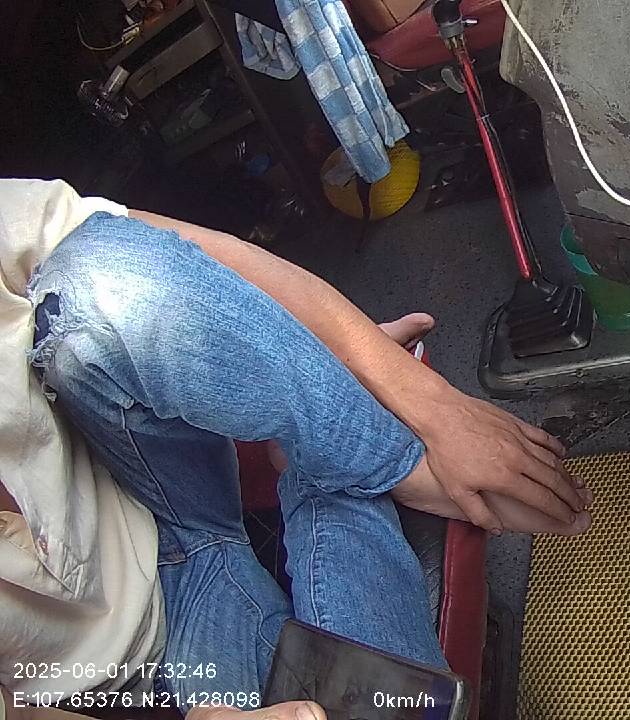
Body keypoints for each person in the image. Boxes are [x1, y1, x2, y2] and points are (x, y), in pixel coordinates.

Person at [0, 179, 592, 719]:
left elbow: (186, 260)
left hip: (148, 486)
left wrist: (430, 405)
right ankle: (319, 449)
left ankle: (382, 455)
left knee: (95, 274)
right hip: (133, 674)